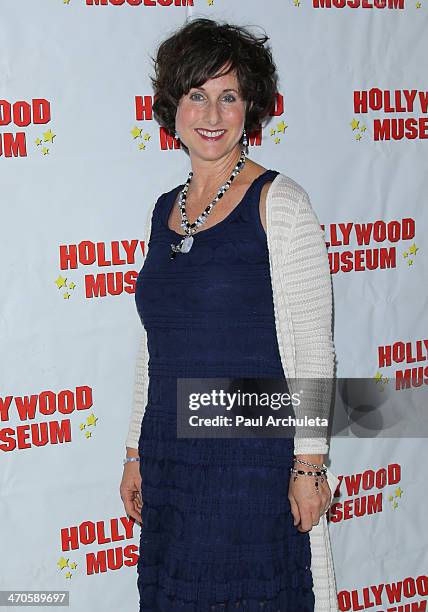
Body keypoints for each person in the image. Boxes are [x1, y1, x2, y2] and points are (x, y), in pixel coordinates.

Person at [120, 17, 338, 612]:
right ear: (173, 107)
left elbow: (315, 350)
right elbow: (154, 347)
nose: (211, 113)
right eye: (196, 95)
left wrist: (311, 466)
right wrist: (136, 454)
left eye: (228, 96)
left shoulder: (281, 205)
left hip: (251, 465)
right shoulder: (161, 211)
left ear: (251, 109)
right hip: (172, 459)